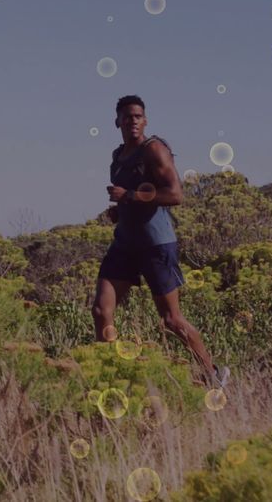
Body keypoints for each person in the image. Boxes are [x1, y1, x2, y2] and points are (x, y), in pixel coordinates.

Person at [93, 94, 229, 390]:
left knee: (171, 320)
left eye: (138, 116)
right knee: (101, 311)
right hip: (125, 244)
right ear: (117, 121)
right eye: (127, 116)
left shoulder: (154, 150)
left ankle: (212, 374)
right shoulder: (117, 158)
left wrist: (128, 196)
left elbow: (175, 195)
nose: (133, 121)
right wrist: (120, 211)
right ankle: (109, 381)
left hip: (156, 245)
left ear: (145, 120)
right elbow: (136, 197)